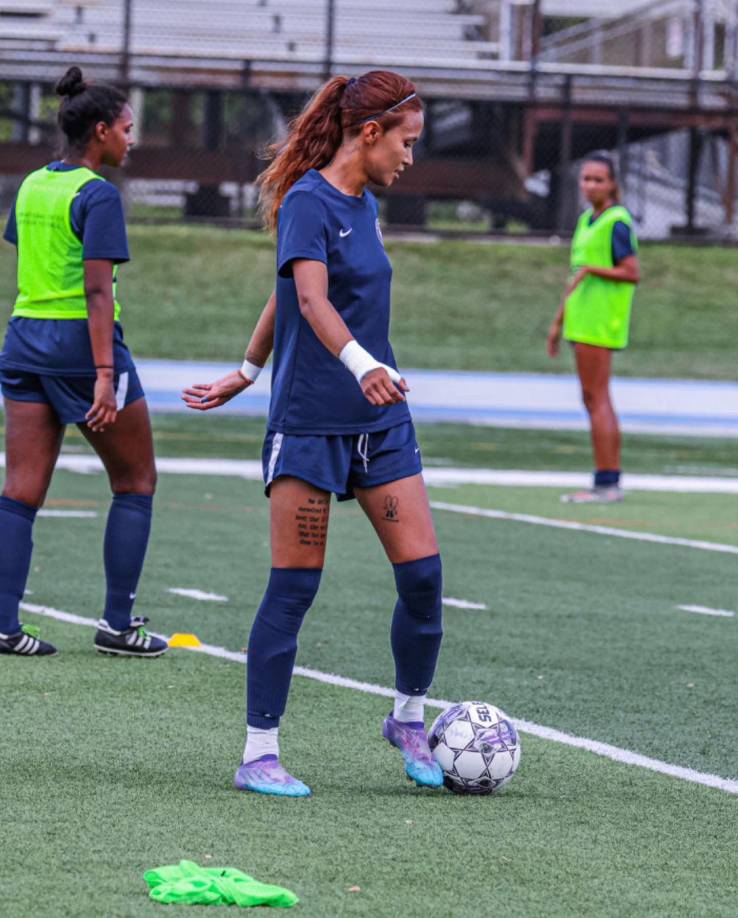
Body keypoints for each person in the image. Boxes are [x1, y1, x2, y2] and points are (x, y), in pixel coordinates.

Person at [183, 70, 444, 797]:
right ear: (369, 134)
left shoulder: (362, 205)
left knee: (423, 578)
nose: (410, 159)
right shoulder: (307, 200)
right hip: (310, 425)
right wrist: (356, 364)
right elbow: (303, 294)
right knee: (294, 589)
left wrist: (245, 366)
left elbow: (289, 294)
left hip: (379, 422)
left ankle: (408, 717)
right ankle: (259, 752)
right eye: (406, 142)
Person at [0, 66, 167, 658]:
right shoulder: (98, 194)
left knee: (19, 492)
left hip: (22, 340)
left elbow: (30, 257)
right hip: (82, 348)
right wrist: (103, 375)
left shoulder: (32, 184)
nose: (131, 139)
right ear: (100, 131)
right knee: (136, 481)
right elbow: (98, 292)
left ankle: (4, 625)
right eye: (126, 128)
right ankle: (118, 627)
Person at [547, 153, 641, 503]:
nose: (590, 186)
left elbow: (631, 272)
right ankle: (606, 478)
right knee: (593, 398)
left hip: (600, 321)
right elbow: (575, 277)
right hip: (581, 319)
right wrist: (558, 323)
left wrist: (592, 272)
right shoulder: (587, 219)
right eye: (585, 179)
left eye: (598, 180)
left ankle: (607, 482)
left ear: (612, 184)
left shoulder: (617, 221)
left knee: (598, 398)